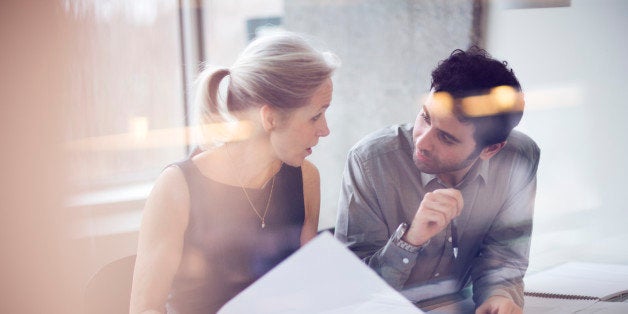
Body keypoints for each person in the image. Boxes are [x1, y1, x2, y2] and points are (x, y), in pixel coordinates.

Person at [130, 32, 339, 313]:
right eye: (316, 116)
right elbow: (144, 309)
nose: (325, 130)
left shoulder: (306, 177)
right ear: (270, 117)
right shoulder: (177, 187)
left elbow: (308, 288)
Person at [335, 47, 540, 314]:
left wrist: (499, 297)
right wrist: (410, 239)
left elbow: (504, 254)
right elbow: (352, 290)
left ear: (491, 149)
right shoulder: (370, 162)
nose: (422, 141)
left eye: (446, 137)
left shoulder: (518, 159)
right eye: (425, 117)